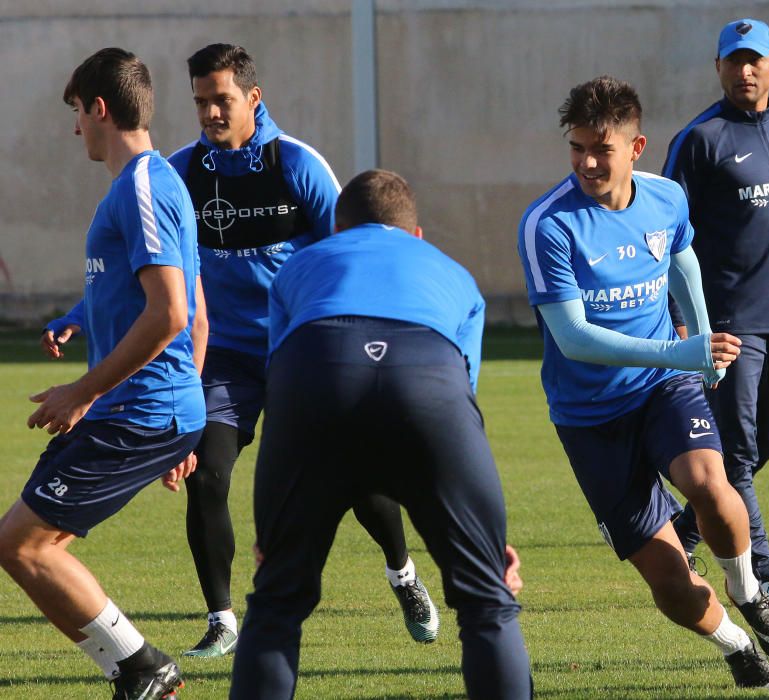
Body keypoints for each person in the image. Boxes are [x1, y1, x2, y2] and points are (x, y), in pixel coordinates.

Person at [50, 42, 437, 656]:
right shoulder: (178, 174)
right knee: (207, 475)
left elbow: (352, 252)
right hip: (224, 358)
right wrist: (77, 315)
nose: (209, 113)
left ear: (253, 98)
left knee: (358, 478)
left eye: (221, 100)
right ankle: (222, 618)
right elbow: (146, 269)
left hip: (300, 351)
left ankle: (403, 574)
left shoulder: (298, 166)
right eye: (201, 101)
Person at [517, 76, 769, 689]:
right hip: (589, 417)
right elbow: (575, 339)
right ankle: (733, 646)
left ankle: (748, 589)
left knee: (709, 481)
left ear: (636, 146)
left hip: (660, 387)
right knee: (669, 581)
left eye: (602, 148)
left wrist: (702, 347)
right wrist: (684, 350)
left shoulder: (666, 199)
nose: (588, 161)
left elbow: (683, 263)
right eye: (577, 147)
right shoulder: (548, 224)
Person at [229, 169, 532, 699]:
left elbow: (280, 386)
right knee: (487, 603)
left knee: (277, 602)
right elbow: (463, 404)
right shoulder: (453, 272)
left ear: (338, 230)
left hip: (317, 374)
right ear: (417, 235)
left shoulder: (301, 266)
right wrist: (486, 536)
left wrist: (278, 518)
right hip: (428, 380)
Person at [0, 48, 204, 700]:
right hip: (145, 410)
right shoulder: (140, 187)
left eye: (76, 114)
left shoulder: (145, 183)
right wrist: (77, 318)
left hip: (136, 410)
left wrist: (81, 391)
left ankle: (141, 668)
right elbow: (154, 299)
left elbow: (173, 311)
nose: (74, 130)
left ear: (99, 108)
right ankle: (138, 669)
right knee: (29, 541)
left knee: (24, 546)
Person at [662, 19, 769, 607]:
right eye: (733, 61)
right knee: (735, 449)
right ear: (718, 68)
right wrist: (680, 318)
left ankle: (683, 528)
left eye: (754, 60)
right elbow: (665, 236)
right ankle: (762, 570)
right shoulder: (699, 139)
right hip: (726, 324)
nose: (744, 71)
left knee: (766, 442)